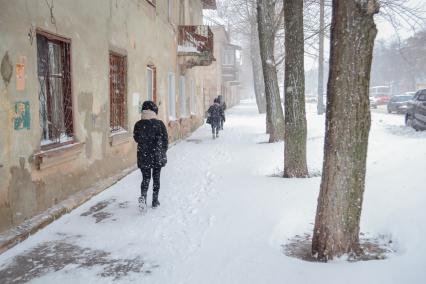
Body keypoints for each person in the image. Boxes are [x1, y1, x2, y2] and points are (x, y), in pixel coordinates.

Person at [133, 101, 168, 211]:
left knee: (145, 178)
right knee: (156, 178)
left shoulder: (138, 124)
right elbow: (165, 140)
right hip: (157, 155)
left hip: (144, 156)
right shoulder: (160, 124)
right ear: (154, 111)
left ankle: (143, 198)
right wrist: (162, 151)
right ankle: (155, 200)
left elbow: (136, 138)